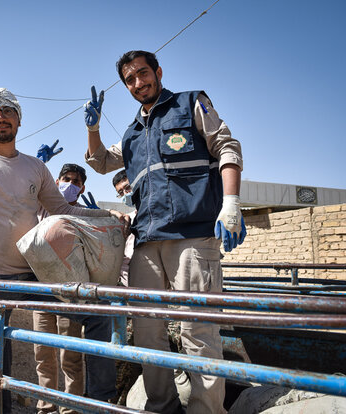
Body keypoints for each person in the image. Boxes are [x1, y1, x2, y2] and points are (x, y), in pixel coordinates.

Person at [0, 86, 128, 413]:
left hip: (31, 276)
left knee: (97, 311)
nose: (0, 117)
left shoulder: (35, 167)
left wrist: (107, 214)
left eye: (7, 111)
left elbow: (65, 209)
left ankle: (99, 402)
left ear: (19, 120)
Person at [83, 50, 246, 414]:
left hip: (192, 236)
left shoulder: (191, 104)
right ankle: (162, 406)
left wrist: (231, 204)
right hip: (146, 242)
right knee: (146, 332)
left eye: (143, 73)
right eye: (130, 79)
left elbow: (227, 146)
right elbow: (99, 162)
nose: (139, 82)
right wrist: (92, 128)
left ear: (157, 72)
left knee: (198, 330)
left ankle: (206, 410)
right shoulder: (131, 135)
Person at [34, 163, 88, 414]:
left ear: (82, 188)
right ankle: (46, 407)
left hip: (69, 292)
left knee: (71, 356)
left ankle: (70, 409)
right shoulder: (41, 206)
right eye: (66, 179)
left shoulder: (84, 215)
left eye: (76, 182)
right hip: (41, 290)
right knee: (43, 353)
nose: (70, 184)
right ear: (56, 182)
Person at [112, 169, 136, 287]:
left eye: (128, 188)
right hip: (126, 273)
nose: (126, 194)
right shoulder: (128, 219)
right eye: (121, 192)